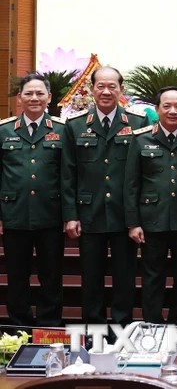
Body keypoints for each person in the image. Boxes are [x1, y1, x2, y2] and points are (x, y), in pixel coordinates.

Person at [62, 66, 148, 331]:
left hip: (126, 215)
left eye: (112, 86)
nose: (106, 91)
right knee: (91, 277)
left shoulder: (137, 123)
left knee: (125, 277)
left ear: (121, 90)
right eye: (101, 86)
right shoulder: (75, 125)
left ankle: (123, 330)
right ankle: (94, 331)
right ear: (91, 90)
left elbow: (144, 174)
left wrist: (139, 216)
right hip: (90, 213)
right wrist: (71, 215)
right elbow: (68, 173)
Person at [125, 86, 177, 324]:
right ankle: (153, 327)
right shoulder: (140, 139)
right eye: (166, 106)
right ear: (157, 109)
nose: (172, 111)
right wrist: (133, 223)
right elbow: (131, 184)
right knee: (152, 277)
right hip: (151, 220)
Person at [0, 73, 66, 326]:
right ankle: (19, 329)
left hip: (51, 214)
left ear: (49, 97)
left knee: (51, 276)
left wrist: (69, 214)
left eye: (40, 93)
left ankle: (50, 327)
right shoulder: (5, 130)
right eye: (29, 93)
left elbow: (68, 175)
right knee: (17, 276)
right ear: (20, 98)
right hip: (14, 214)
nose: (34, 98)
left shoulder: (62, 130)